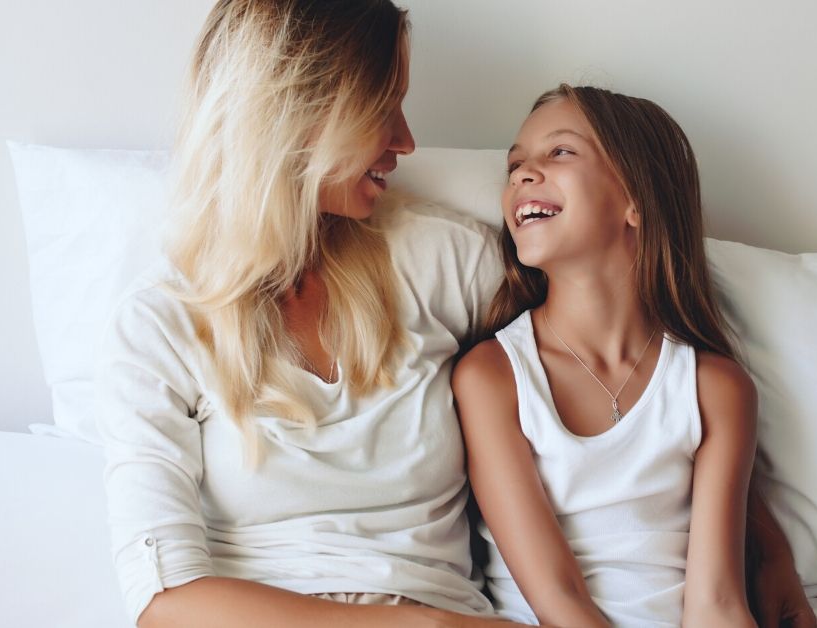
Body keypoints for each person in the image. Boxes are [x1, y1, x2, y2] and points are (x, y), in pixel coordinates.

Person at [95, 1, 515, 626]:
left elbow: (588, 410)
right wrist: (413, 625)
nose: (406, 139)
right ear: (297, 114)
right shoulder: (159, 323)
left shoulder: (448, 261)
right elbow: (164, 604)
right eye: (382, 106)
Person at [452, 85, 816, 627]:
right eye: (516, 165)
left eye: (560, 152)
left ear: (636, 201)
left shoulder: (716, 387)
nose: (523, 175)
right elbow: (559, 599)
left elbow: (716, 602)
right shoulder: (493, 376)